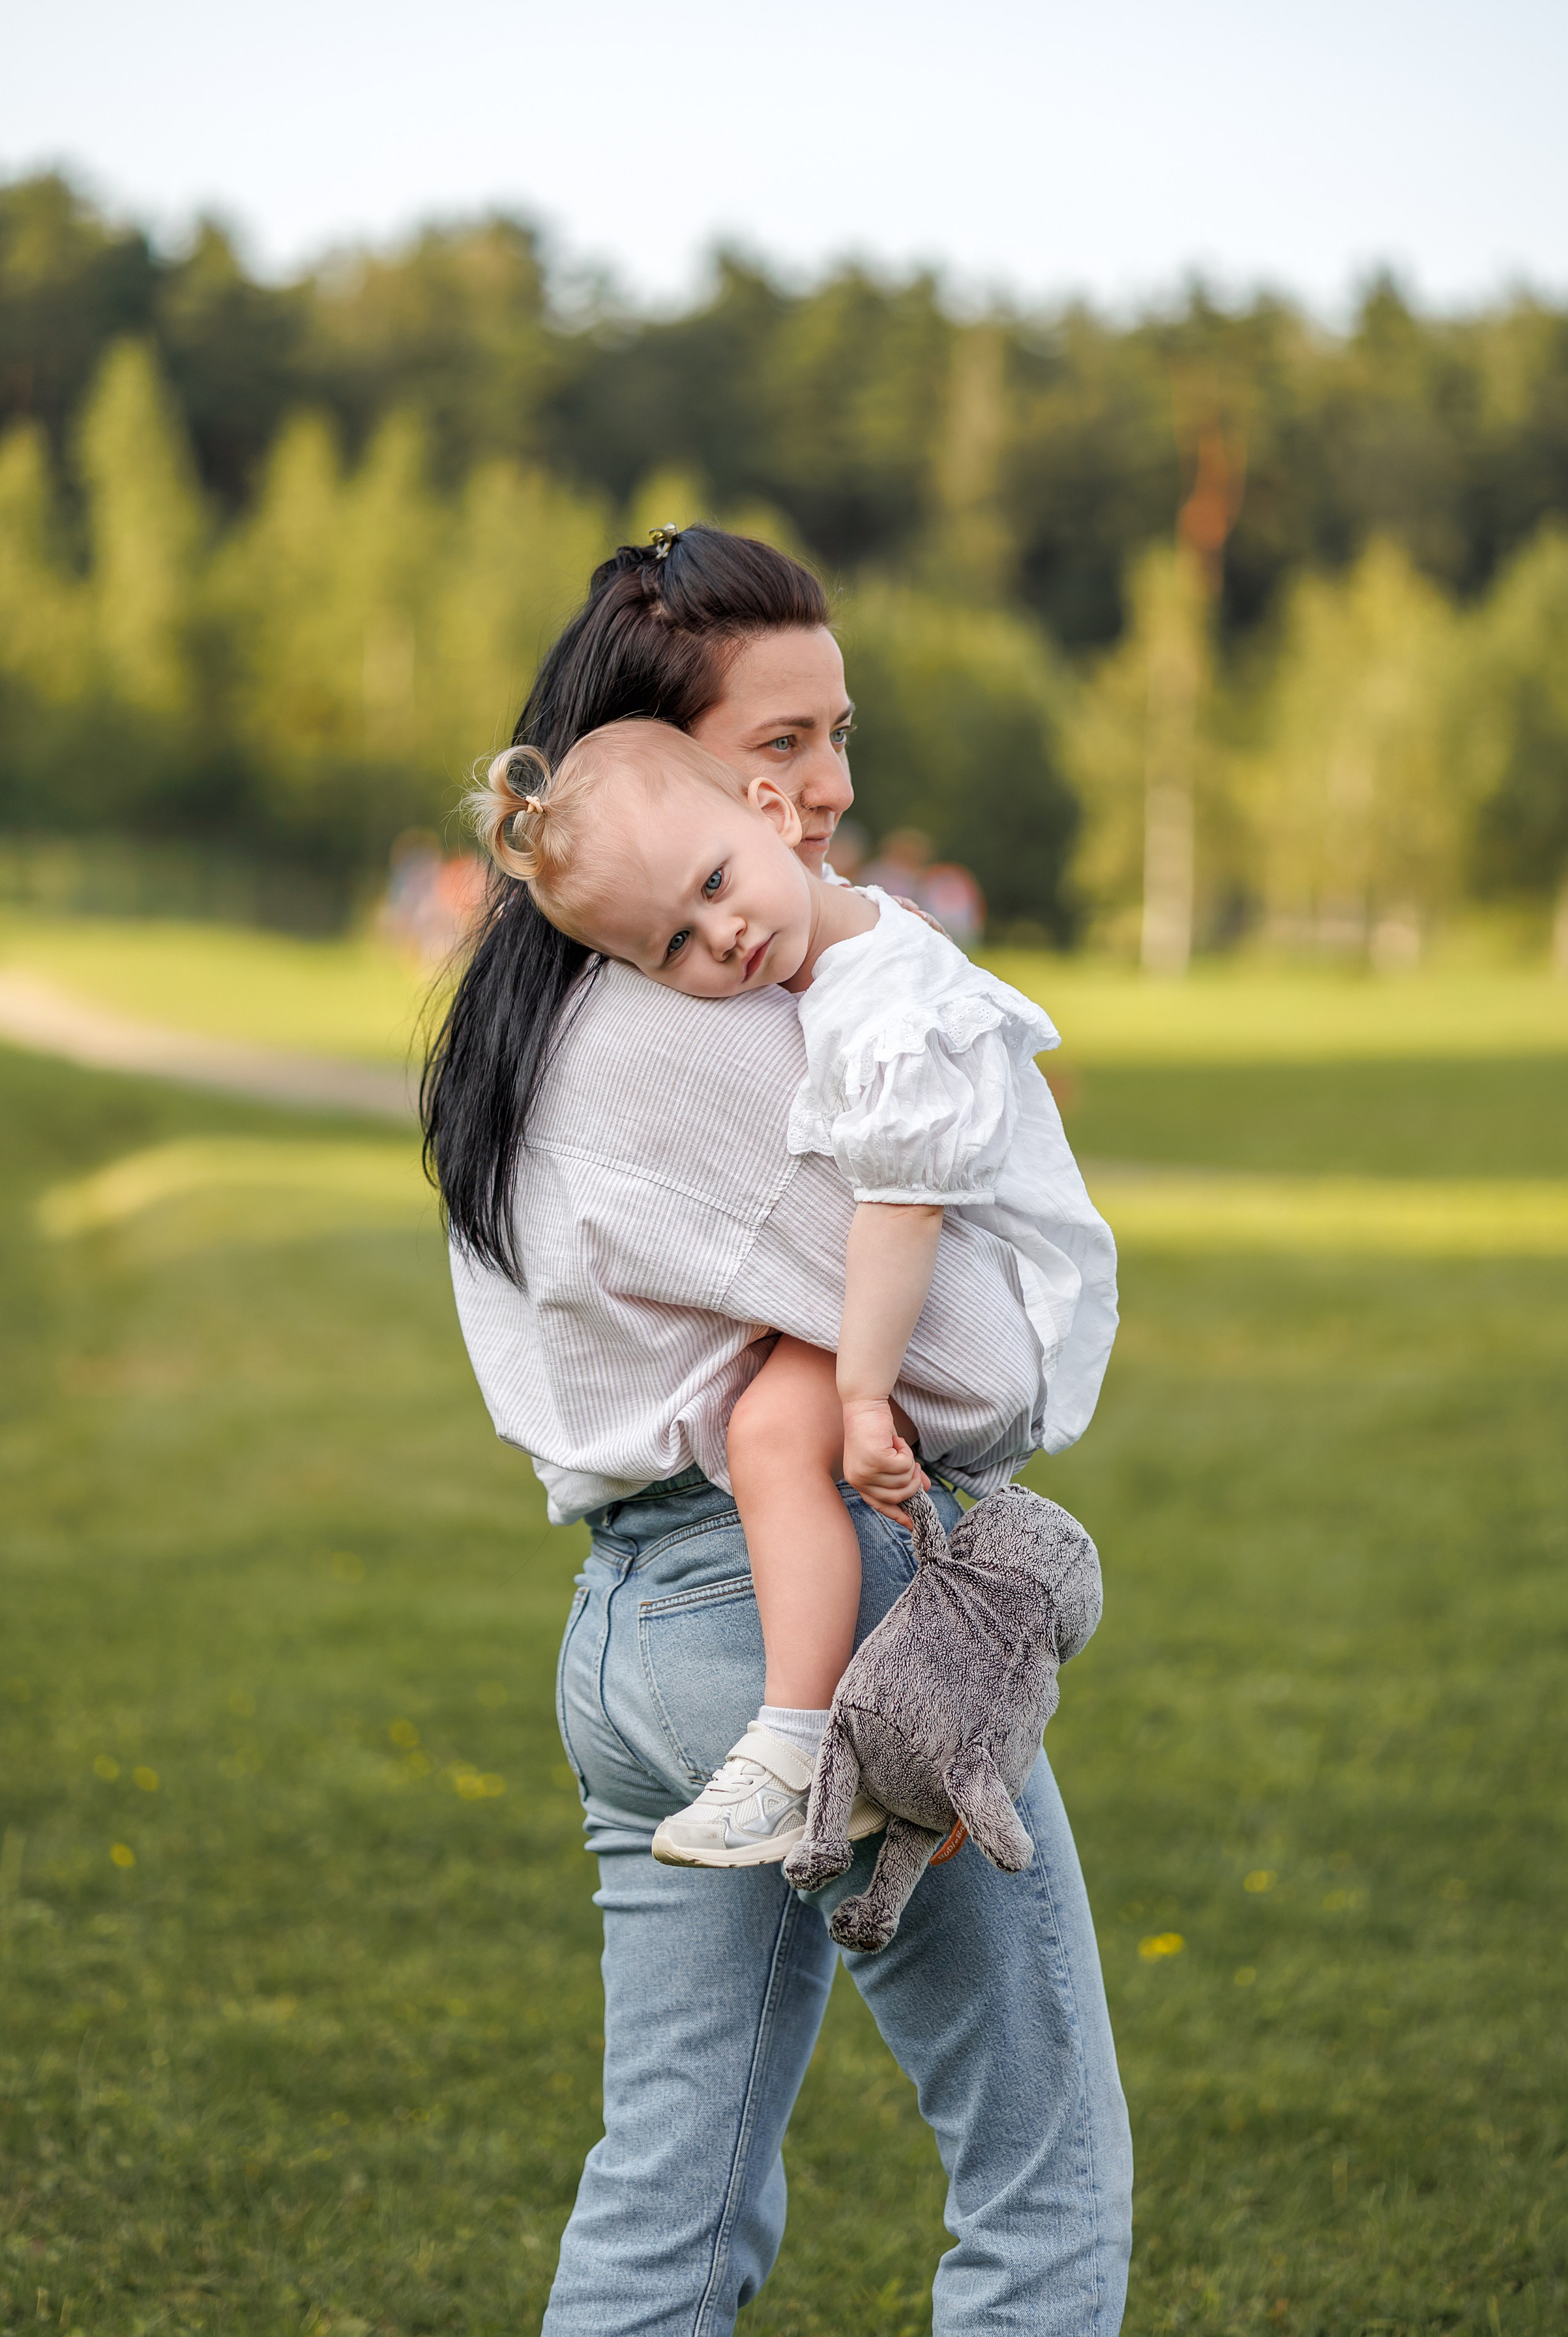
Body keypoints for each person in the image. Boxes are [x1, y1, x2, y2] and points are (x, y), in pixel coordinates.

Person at [424, 524, 1132, 2334]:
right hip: (794, 1617)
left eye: (841, 737)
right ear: (655, 754)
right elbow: (981, 1374)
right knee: (1042, 2172)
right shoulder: (697, 1035)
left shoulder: (542, 1002)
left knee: (670, 2196)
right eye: (780, 749)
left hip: (634, 1629)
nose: (825, 796)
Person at [467, 718, 1117, 1873]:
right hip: (912, 1278)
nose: (722, 936)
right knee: (770, 1426)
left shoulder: (884, 1003)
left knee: (776, 1430)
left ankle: (794, 1740)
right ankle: (793, 1735)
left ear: (770, 813)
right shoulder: (829, 961)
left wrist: (864, 1399)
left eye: (716, 884)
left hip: (998, 1285)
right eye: (673, 945)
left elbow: (908, 1210)